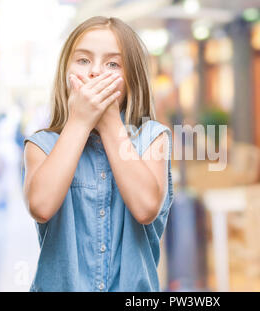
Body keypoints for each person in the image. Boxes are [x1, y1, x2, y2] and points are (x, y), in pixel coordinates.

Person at [22, 16, 173, 292]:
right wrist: (80, 122)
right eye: (83, 60)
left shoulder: (153, 138)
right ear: (66, 72)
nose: (95, 72)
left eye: (112, 64)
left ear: (132, 80)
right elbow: (41, 207)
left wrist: (109, 123)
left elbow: (146, 207)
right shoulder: (41, 145)